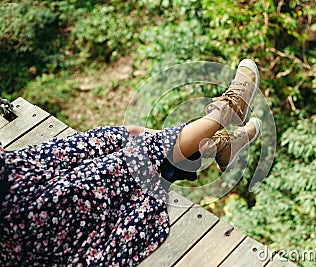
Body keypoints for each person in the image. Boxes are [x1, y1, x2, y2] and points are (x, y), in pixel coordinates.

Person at [0, 59, 262, 266]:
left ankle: (219, 145)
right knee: (135, 161)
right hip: (17, 216)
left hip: (17, 169)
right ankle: (226, 112)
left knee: (116, 137)